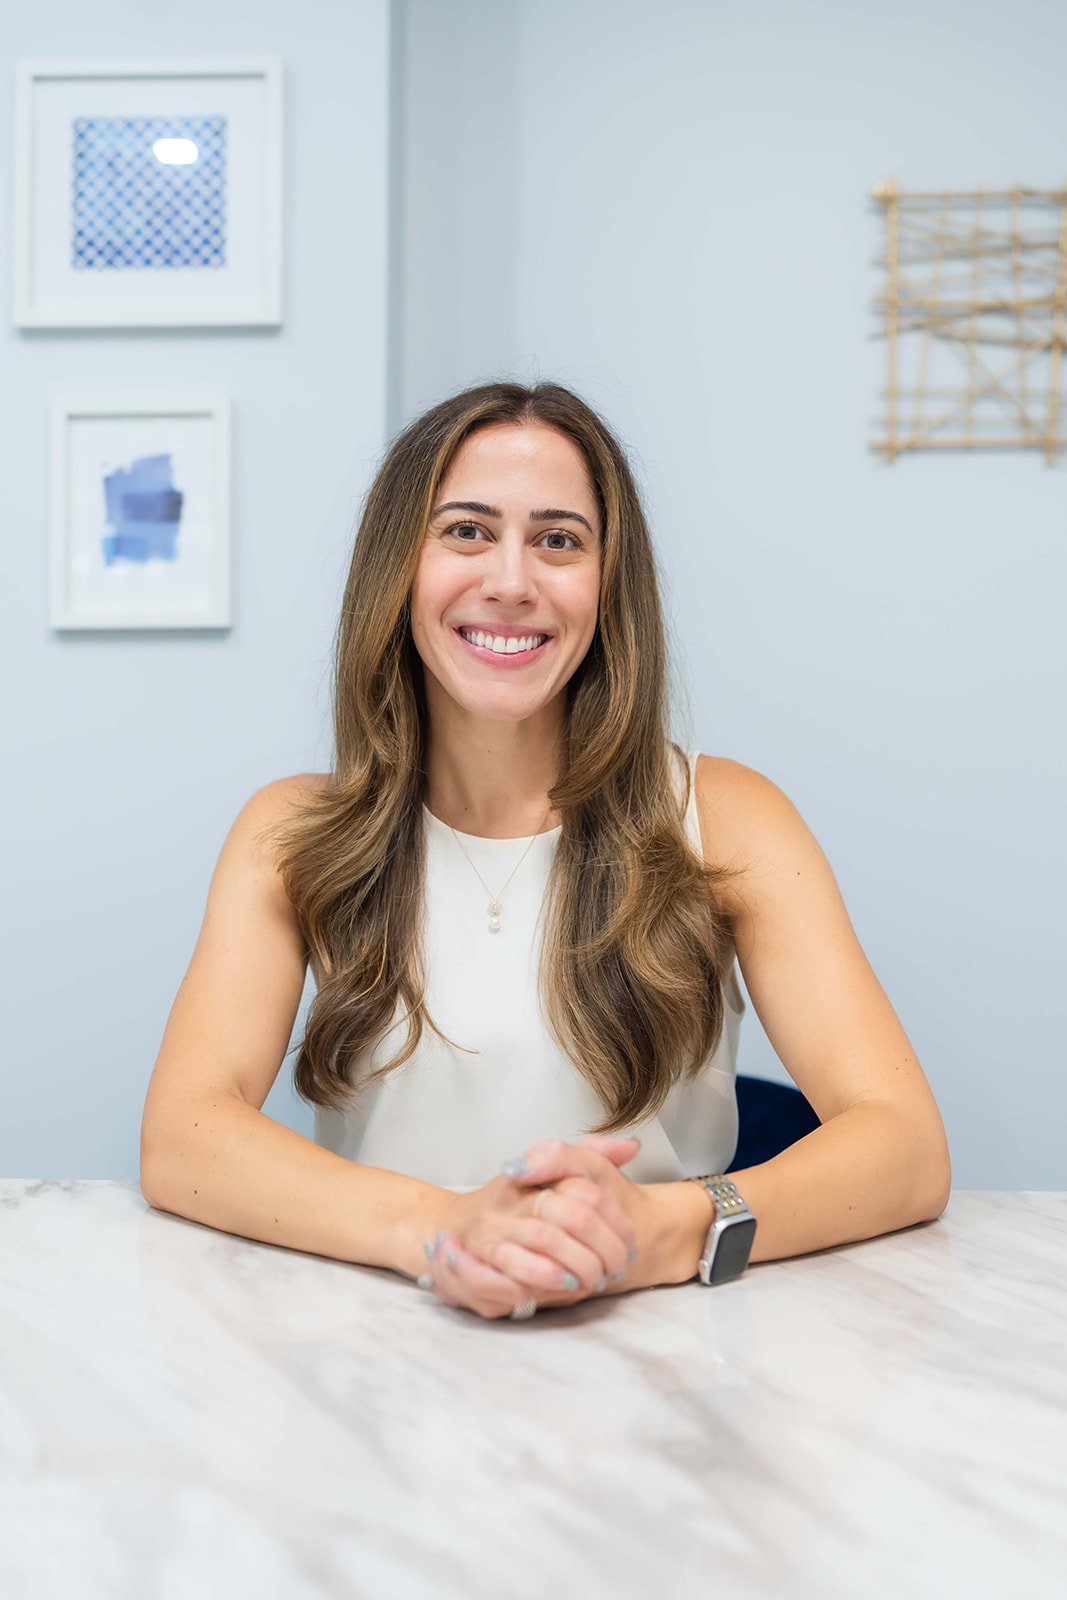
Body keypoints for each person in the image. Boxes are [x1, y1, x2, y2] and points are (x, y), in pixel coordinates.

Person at [140, 380, 952, 1322]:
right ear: (397, 569)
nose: (512, 582)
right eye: (466, 531)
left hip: (665, 1342)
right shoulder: (291, 834)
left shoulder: (727, 816)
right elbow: (184, 1134)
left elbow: (904, 1147)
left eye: (558, 540)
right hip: (381, 1340)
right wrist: (443, 1229)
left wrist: (664, 1230)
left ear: (608, 588)